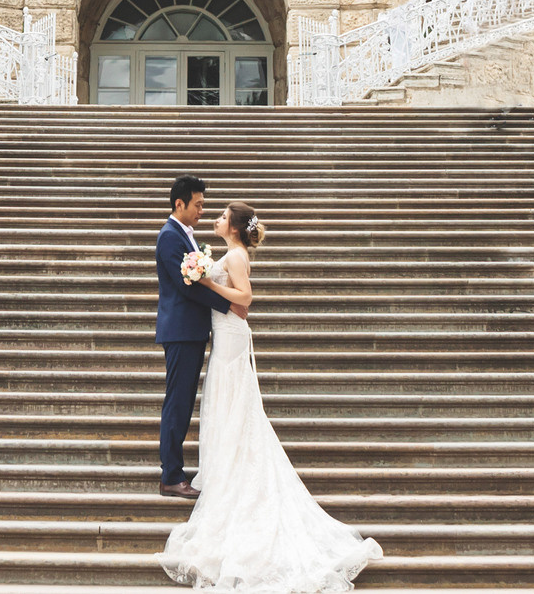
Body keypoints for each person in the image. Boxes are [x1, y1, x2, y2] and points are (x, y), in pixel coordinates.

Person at [160, 199, 382, 593]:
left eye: (223, 215)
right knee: (226, 406)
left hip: (229, 336)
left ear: (233, 226)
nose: (216, 217)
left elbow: (246, 298)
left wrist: (205, 281)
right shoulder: (230, 251)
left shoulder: (236, 255)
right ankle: (226, 467)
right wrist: (208, 279)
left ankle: (234, 474)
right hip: (224, 336)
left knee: (233, 405)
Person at [155, 175, 240, 498]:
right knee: (177, 403)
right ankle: (171, 476)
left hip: (189, 331)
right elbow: (186, 285)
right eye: (198, 204)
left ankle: (174, 472)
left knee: (183, 401)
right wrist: (227, 303)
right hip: (180, 331)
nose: (202, 210)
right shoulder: (169, 237)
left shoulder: (184, 236)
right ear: (180, 203)